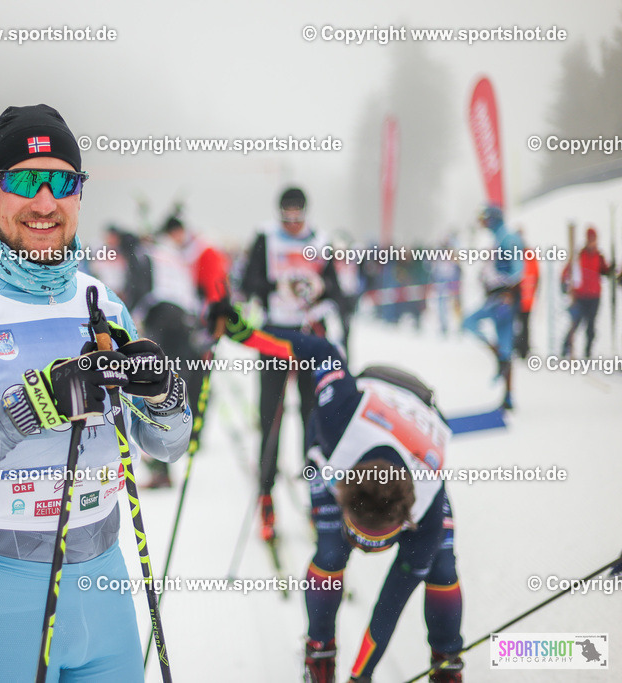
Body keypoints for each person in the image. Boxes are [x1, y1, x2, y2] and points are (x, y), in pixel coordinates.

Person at [0, 104, 191, 680]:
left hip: (106, 594)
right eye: (25, 180)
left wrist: (163, 396)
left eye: (63, 182)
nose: (45, 202)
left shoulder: (103, 302)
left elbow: (169, 446)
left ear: (79, 194)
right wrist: (23, 414)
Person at [212, 306, 464, 683]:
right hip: (362, 412)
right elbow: (320, 350)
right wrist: (247, 335)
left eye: (375, 544)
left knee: (442, 566)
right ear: (342, 490)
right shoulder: (338, 416)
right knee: (332, 550)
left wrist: (361, 676)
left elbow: (389, 605)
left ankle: (448, 662)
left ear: (407, 518)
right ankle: (320, 652)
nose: (364, 550)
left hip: (418, 415)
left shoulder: (426, 499)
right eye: (361, 540)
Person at [239, 186, 341, 541]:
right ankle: (266, 497)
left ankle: (318, 498)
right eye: (288, 216)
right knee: (271, 417)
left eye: (298, 215)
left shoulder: (321, 239)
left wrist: (317, 288)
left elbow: (336, 287)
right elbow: (248, 281)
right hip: (275, 336)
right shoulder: (266, 237)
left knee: (313, 418)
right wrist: (275, 286)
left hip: (310, 334)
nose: (293, 222)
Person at [137, 212, 230, 488]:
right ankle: (175, 449)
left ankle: (164, 462)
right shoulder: (177, 253)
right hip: (186, 326)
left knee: (165, 389)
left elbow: (212, 289)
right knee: (179, 385)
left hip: (175, 325)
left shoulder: (169, 251)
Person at [462, 205, 522, 411]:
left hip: (502, 298)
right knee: (503, 347)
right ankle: (507, 393)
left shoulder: (508, 238)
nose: (483, 223)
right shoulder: (499, 238)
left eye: (485, 219)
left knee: (470, 323)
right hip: (497, 297)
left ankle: (507, 393)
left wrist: (508, 290)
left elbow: (518, 269)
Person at [561, 226, 614, 359]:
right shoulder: (580, 255)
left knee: (591, 327)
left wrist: (611, 269)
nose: (592, 242)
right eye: (590, 239)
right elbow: (567, 270)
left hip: (594, 296)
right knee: (575, 323)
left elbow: (604, 271)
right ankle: (565, 349)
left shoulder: (599, 256)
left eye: (594, 239)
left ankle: (587, 353)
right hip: (580, 296)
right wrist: (563, 284)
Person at [515, 228, 539, 358]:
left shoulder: (528, 254)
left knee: (524, 324)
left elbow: (536, 275)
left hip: (526, 297)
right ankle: (519, 347)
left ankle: (523, 349)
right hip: (518, 296)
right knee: (518, 324)